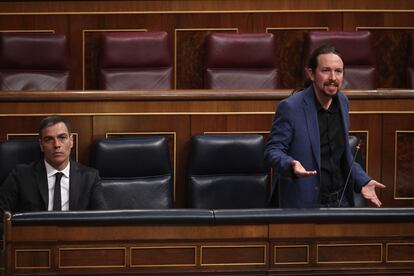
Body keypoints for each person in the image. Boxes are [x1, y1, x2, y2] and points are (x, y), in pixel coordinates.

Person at [264, 45, 385, 208]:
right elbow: (272, 151)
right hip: (305, 203)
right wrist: (290, 164)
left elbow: (342, 156)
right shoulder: (291, 107)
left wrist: (364, 180)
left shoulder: (343, 102)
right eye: (326, 70)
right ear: (311, 74)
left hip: (340, 201)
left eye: (338, 71)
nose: (333, 77)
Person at [0, 115, 107, 235]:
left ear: (71, 141)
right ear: (41, 145)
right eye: (49, 139)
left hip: (74, 245)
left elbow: (101, 222)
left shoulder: (90, 177)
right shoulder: (20, 175)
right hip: (33, 245)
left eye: (62, 137)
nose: (56, 145)